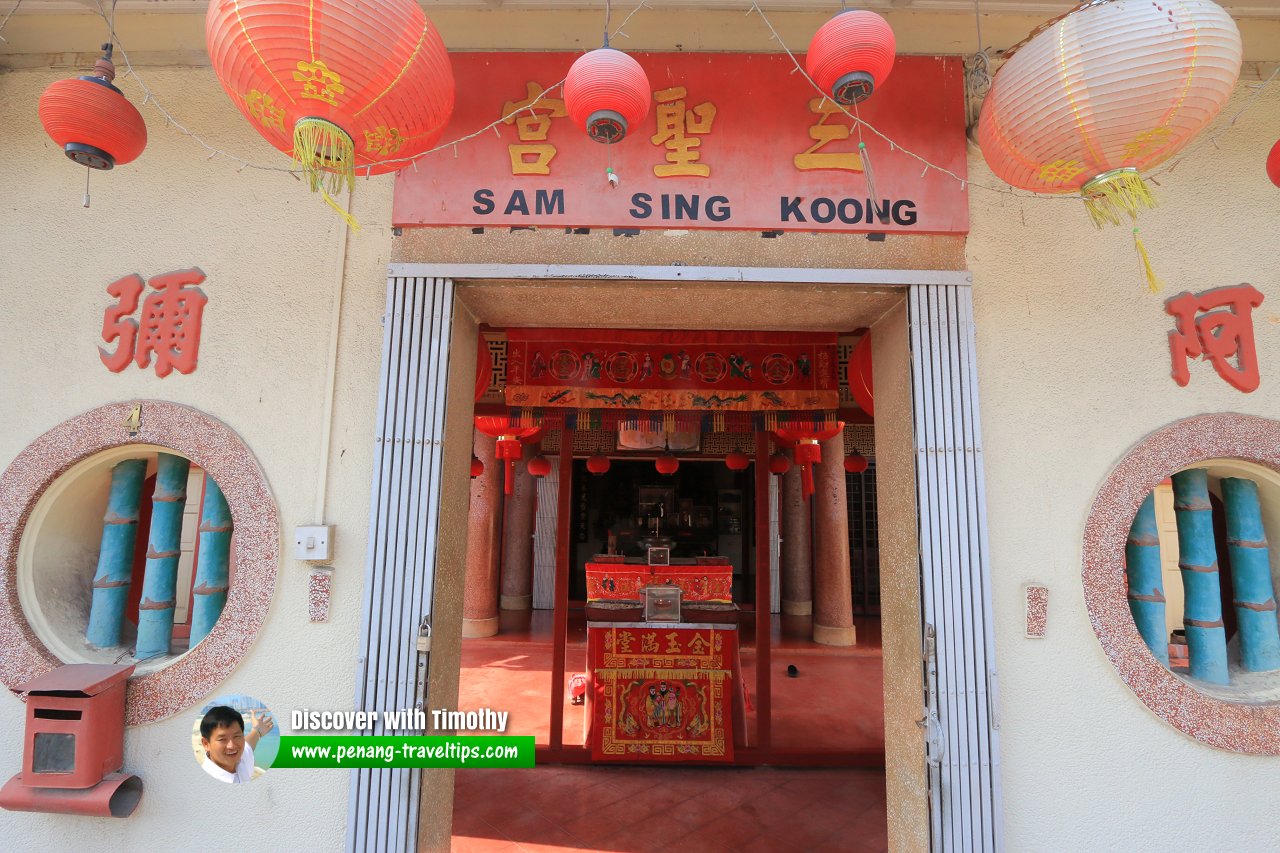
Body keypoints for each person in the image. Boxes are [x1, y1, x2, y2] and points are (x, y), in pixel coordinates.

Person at [199, 705, 274, 784]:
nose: (232, 746)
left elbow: (249, 744)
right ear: (206, 744)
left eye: (237, 736)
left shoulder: (241, 758)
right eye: (222, 739)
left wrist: (258, 730)